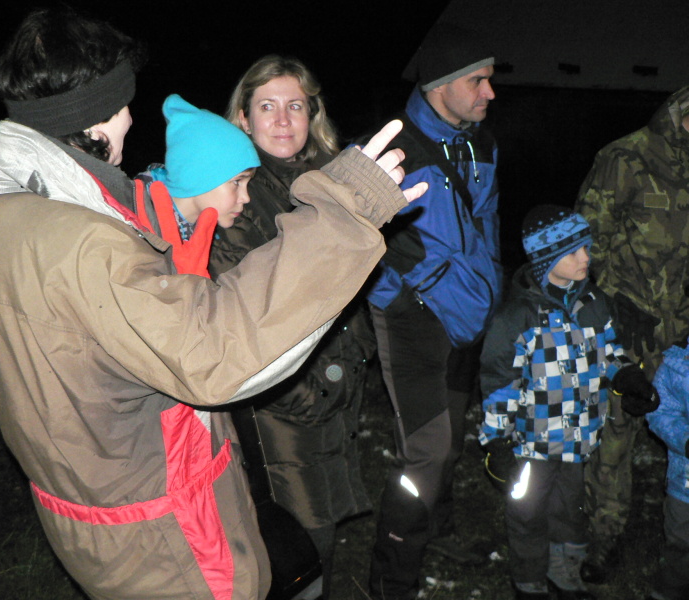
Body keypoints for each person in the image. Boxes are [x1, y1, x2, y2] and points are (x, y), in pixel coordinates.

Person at [0, 6, 427, 600]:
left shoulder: (3, 220)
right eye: (123, 103)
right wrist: (346, 213)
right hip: (166, 537)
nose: (132, 117)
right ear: (96, 115)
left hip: (103, 514)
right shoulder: (85, 243)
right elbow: (216, 352)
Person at [208, 55, 374, 599]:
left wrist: (354, 355)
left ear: (312, 114)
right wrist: (306, 389)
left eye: (295, 106)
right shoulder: (236, 191)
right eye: (267, 107)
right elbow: (241, 304)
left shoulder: (326, 180)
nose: (283, 120)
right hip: (280, 396)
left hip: (331, 380)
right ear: (243, 117)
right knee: (298, 539)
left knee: (318, 534)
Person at [363, 22, 504, 600]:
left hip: (469, 311)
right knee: (426, 450)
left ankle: (437, 529)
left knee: (452, 435)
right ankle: (390, 581)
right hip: (413, 316)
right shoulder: (391, 148)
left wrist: (490, 285)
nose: (490, 92)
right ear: (439, 85)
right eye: (477, 80)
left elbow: (487, 222)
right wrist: (401, 295)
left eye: (489, 79)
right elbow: (360, 236)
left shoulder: (480, 143)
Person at [479, 205, 659, 600]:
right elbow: (499, 381)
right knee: (527, 512)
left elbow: (608, 352)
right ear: (546, 259)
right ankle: (529, 582)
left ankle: (565, 576)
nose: (586, 258)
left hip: (578, 438)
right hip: (531, 443)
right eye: (573, 252)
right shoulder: (518, 317)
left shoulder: (593, 303)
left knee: (570, 511)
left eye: (587, 248)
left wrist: (627, 377)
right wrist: (496, 440)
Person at [574, 85, 689, 582]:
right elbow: (582, 243)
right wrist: (609, 305)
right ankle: (602, 535)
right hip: (629, 325)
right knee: (615, 435)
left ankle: (679, 531)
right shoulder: (627, 158)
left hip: (681, 332)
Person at [135, 93, 259, 274]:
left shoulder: (200, 233)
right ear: (198, 177)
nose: (246, 198)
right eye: (237, 182)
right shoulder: (138, 227)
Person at [645, 337, 689, 600]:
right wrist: (685, 440)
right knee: (680, 543)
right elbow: (661, 412)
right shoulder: (677, 365)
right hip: (685, 480)